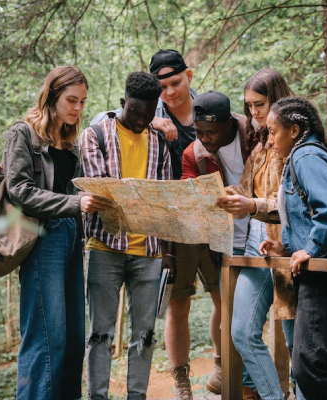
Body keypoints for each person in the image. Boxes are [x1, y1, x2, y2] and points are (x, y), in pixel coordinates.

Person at [92, 49, 223, 400]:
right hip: (166, 230)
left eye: (176, 83)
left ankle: (224, 367)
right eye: (162, 86)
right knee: (176, 306)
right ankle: (182, 384)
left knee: (222, 296)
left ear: (189, 76)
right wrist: (152, 122)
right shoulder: (149, 116)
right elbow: (112, 123)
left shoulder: (210, 109)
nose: (170, 92)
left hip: (209, 222)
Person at [3, 65, 103, 400]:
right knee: (48, 337)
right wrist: (75, 204)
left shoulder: (69, 141)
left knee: (74, 338)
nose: (77, 108)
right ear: (52, 97)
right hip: (42, 240)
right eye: (71, 100)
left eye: (82, 102)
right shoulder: (23, 134)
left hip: (73, 238)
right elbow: (19, 190)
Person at [260, 96, 327, 400]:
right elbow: (311, 213)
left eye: (273, 132)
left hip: (325, 277)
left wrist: (313, 247)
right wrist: (288, 248)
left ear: (294, 130)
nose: (269, 141)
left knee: (308, 365)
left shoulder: (305, 155)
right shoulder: (315, 153)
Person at [80, 72, 173, 400]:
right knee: (100, 333)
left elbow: (162, 200)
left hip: (148, 250)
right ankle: (98, 396)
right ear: (123, 104)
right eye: (134, 112)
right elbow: (98, 190)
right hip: (105, 247)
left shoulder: (160, 140)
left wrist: (168, 253)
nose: (140, 120)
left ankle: (137, 396)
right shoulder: (96, 134)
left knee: (144, 335)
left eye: (148, 115)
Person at [216, 69, 303, 400]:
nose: (254, 112)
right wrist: (224, 196)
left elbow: (291, 203)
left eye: (260, 104)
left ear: (278, 100)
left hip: (290, 247)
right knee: (241, 332)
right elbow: (245, 189)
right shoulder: (260, 144)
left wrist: (251, 203)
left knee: (297, 342)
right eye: (249, 105)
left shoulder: (295, 143)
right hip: (256, 244)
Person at [180, 90, 253, 398]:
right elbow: (189, 192)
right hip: (226, 243)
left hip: (264, 235)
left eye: (212, 132)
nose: (205, 138)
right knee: (233, 314)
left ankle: (249, 380)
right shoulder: (193, 153)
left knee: (254, 316)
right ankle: (236, 379)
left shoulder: (254, 135)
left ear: (228, 125)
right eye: (199, 132)